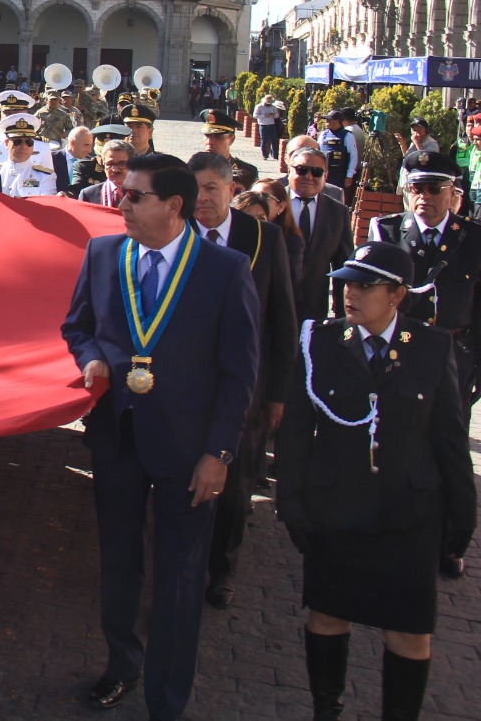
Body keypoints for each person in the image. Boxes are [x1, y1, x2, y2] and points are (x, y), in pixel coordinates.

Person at [62, 152, 260, 721]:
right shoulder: (104, 253)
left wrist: (220, 453)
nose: (120, 202)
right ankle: (121, 663)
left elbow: (239, 371)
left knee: (179, 577)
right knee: (120, 565)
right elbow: (76, 325)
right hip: (119, 440)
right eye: (122, 193)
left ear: (174, 206)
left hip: (190, 452)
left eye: (134, 195)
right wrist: (93, 356)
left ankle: (166, 699)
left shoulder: (225, 271)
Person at [274, 241, 474, 721]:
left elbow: (450, 438)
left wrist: (461, 521)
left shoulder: (431, 346)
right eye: (345, 283)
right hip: (337, 511)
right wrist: (292, 503)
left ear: (398, 295)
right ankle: (328, 709)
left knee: (408, 633)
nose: (350, 293)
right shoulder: (319, 341)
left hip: (408, 517)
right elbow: (298, 432)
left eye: (366, 285)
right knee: (326, 616)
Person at [187, 152, 298, 610]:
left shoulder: (264, 239)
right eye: (194, 190)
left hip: (247, 389)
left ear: (232, 189)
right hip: (190, 386)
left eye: (212, 188)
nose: (203, 199)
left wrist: (276, 396)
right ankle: (187, 563)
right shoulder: (177, 235)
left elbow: (283, 322)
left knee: (234, 488)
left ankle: (222, 569)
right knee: (187, 480)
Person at [369, 150, 481, 578]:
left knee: (447, 449)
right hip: (399, 353)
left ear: (454, 194)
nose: (424, 197)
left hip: (455, 356)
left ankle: (449, 539)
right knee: (393, 439)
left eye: (435, 189)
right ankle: (387, 526)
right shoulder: (387, 231)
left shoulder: (473, 238)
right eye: (416, 188)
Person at [290, 147, 355, 323]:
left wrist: (343, 320)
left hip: (313, 311)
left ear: (325, 176)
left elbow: (344, 268)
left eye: (317, 172)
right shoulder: (272, 203)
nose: (309, 177)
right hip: (270, 309)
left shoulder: (338, 212)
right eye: (301, 170)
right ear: (290, 170)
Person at [0, 113, 61, 197]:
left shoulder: (44, 176)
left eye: (29, 142)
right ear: (6, 143)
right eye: (18, 142)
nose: (24, 146)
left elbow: (46, 203)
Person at [197, 109, 258, 189]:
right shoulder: (193, 169)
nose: (210, 142)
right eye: (207, 136)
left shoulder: (248, 172)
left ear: (231, 139)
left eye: (218, 137)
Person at [319, 108, 360, 208]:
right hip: (323, 173)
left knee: (336, 201)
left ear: (337, 121)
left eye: (329, 120)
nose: (326, 122)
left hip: (339, 175)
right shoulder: (324, 134)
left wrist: (349, 175)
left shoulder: (348, 136)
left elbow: (354, 156)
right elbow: (318, 151)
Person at [79, 140, 132, 207]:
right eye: (110, 164)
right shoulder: (88, 195)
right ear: (103, 165)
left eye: (121, 163)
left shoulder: (145, 193)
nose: (115, 170)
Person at [252, 93, 286, 162]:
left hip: (271, 124)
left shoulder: (273, 107)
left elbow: (276, 115)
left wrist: (273, 115)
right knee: (264, 140)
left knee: (274, 140)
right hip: (263, 125)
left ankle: (275, 155)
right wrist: (264, 115)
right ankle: (264, 155)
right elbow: (255, 116)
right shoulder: (259, 106)